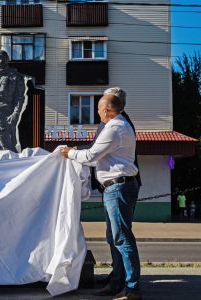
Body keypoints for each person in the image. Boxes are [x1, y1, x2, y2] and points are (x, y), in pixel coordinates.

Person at [61, 94, 141, 300]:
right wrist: (77, 151)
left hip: (118, 188)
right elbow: (98, 154)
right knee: (115, 238)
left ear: (106, 110)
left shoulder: (114, 128)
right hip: (115, 188)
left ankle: (131, 289)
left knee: (122, 239)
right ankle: (117, 284)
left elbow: (90, 156)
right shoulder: (119, 125)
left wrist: (69, 153)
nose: (96, 112)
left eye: (98, 108)